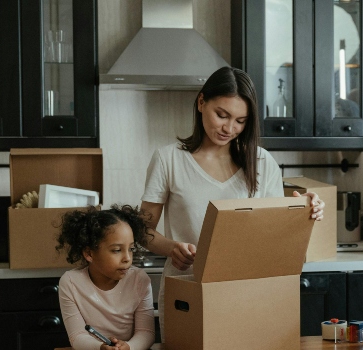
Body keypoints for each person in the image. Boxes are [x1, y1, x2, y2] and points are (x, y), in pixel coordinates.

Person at [139, 66, 326, 339]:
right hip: (187, 291)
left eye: (240, 121)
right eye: (222, 115)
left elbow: (276, 237)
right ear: (202, 103)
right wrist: (171, 248)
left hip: (247, 294)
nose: (229, 128)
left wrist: (302, 210)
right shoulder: (169, 160)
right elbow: (142, 230)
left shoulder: (262, 162)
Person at [56, 204, 155, 350]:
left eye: (131, 249)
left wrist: (129, 347)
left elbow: (146, 333)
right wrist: (99, 347)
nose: (127, 258)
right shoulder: (70, 283)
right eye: (116, 250)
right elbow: (77, 336)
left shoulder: (139, 280)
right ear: (89, 253)